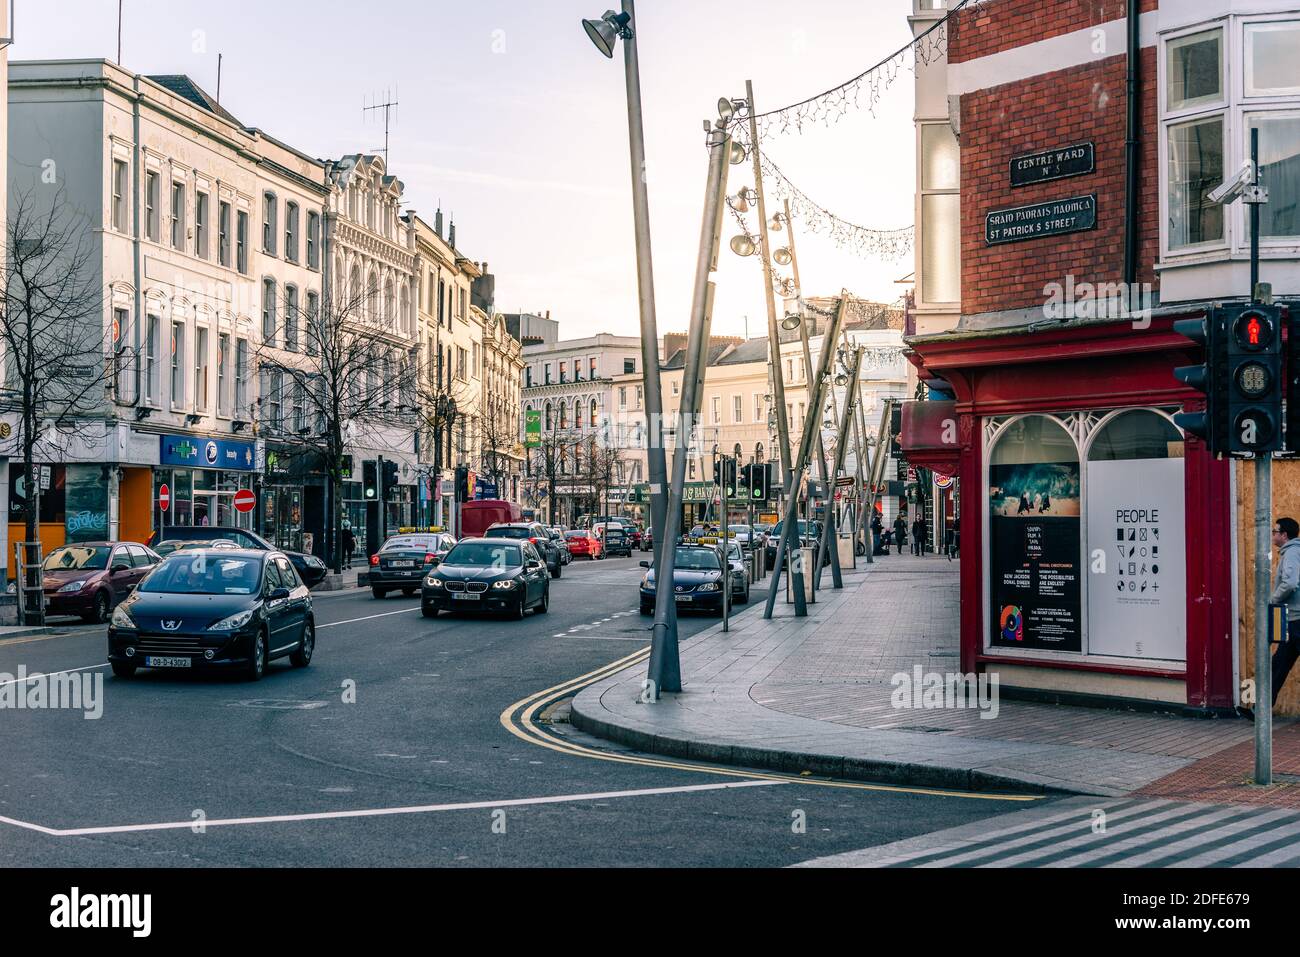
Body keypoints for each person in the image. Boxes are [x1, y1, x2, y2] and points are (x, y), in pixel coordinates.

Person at [1241, 517, 1300, 722]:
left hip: (1296, 621)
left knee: (1278, 666)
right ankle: (1260, 710)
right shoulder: (1292, 552)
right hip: (1293, 620)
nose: (1273, 535)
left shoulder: (1292, 553)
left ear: (1284, 535)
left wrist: (1272, 599)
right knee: (1277, 666)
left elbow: (1290, 583)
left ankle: (1260, 709)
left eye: (1275, 531)